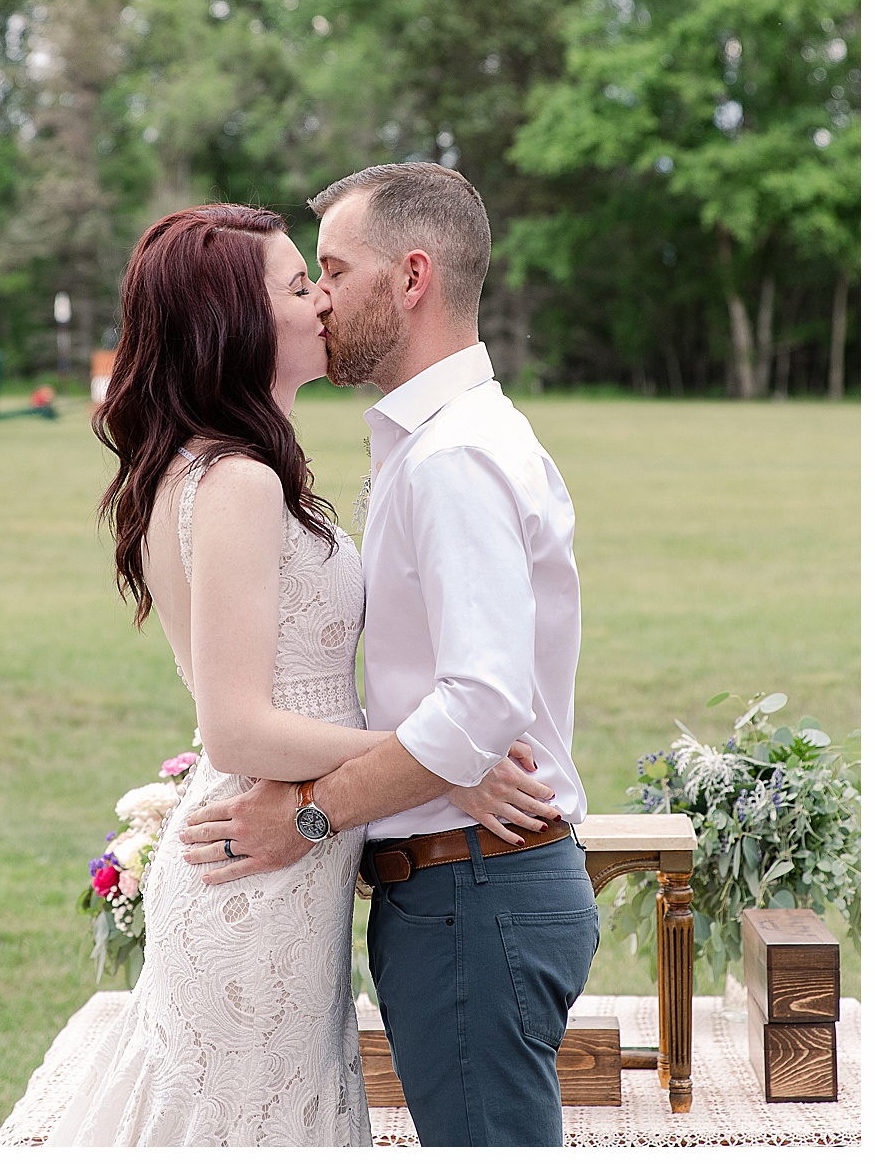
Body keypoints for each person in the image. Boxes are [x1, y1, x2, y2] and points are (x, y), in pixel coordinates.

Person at [17, 204, 536, 1147]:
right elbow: (239, 729)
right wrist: (444, 757)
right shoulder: (238, 482)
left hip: (289, 867)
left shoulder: (228, 466)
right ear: (238, 322)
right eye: (301, 285)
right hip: (258, 882)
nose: (324, 299)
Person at [177, 163, 595, 1147]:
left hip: (476, 892)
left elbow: (481, 702)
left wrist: (312, 814)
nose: (319, 294)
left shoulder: (452, 457)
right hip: (461, 886)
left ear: (410, 278)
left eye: (335, 267)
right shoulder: (433, 441)